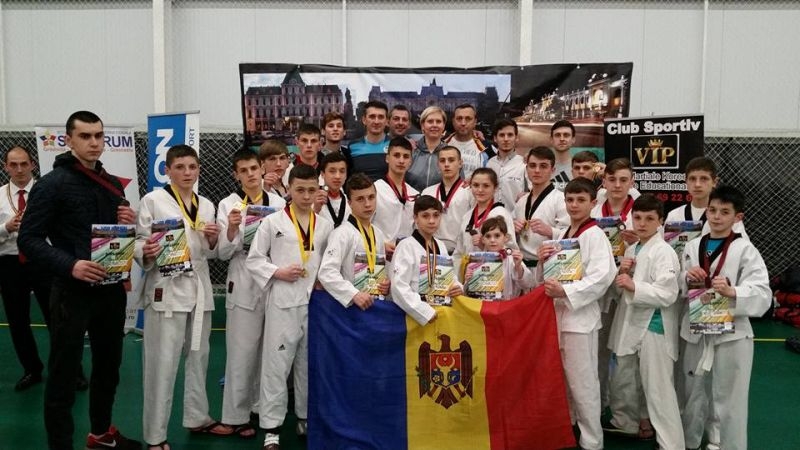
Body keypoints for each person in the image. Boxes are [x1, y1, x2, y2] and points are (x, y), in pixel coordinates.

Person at [18, 110, 141, 450]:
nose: (94, 142)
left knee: (109, 368)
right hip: (72, 292)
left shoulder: (112, 183)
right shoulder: (52, 184)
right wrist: (70, 265)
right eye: (85, 136)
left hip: (110, 291)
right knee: (64, 373)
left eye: (98, 136)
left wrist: (127, 222)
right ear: (69, 140)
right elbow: (28, 239)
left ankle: (100, 434)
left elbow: (113, 236)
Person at [136, 145, 222, 450]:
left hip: (199, 287)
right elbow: (139, 240)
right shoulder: (153, 200)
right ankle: (155, 436)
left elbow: (210, 251)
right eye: (180, 167)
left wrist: (213, 239)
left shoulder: (206, 204)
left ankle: (198, 417)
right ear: (167, 170)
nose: (187, 173)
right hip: (167, 288)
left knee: (199, 358)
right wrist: (145, 251)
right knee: (162, 363)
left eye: (192, 167)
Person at [246, 164, 334, 450]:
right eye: (300, 190)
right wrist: (277, 272)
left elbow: (329, 263)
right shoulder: (272, 223)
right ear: (290, 190)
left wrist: (322, 280)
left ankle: (305, 417)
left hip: (314, 304)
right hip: (283, 302)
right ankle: (271, 427)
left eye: (311, 190)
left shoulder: (325, 225)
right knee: (276, 365)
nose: (306, 196)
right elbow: (254, 260)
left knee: (307, 363)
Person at [680, 185, 770, 450]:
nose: (717, 216)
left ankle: (728, 445)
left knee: (731, 399)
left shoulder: (746, 250)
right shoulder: (693, 245)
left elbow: (763, 293)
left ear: (737, 217)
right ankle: (690, 441)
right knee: (693, 391)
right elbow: (678, 285)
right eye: (712, 210)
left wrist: (733, 291)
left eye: (724, 212)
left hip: (732, 334)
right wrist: (686, 277)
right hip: (697, 327)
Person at [536, 177, 616, 450]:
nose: (574, 205)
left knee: (583, 382)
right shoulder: (562, 235)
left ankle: (592, 440)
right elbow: (545, 278)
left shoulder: (595, 235)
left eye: (581, 200)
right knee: (562, 380)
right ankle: (570, 427)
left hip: (580, 319)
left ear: (593, 203)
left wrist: (567, 291)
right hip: (557, 317)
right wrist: (542, 260)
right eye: (570, 200)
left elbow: (603, 276)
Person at [216, 149, 286, 438]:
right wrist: (232, 230)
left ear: (262, 169)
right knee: (241, 351)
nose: (250, 174)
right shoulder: (228, 204)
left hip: (271, 276)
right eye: (243, 170)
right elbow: (221, 253)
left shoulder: (279, 203)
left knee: (268, 351)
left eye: (254, 168)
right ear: (236, 175)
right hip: (243, 275)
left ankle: (260, 407)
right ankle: (235, 416)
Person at [606, 194, 685, 450]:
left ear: (660, 221)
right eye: (638, 218)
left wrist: (634, 286)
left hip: (655, 326)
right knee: (628, 380)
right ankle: (632, 423)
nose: (642, 223)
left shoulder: (664, 252)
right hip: (632, 323)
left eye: (649, 219)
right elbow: (620, 291)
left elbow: (668, 293)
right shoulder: (632, 249)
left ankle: (672, 444)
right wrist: (623, 273)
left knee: (659, 389)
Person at [0, 146, 54, 391]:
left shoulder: (47, 192)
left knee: (57, 318)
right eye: (13, 164)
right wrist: (6, 228)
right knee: (17, 320)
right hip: (10, 263)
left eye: (24, 163)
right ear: (6, 167)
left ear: (33, 164)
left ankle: (71, 370)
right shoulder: (0, 195)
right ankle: (32, 369)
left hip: (44, 260)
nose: (19, 169)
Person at [318, 173, 390, 309]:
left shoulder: (378, 234)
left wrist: (384, 284)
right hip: (349, 307)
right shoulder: (341, 234)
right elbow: (327, 272)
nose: (367, 204)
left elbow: (378, 271)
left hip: (374, 304)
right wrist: (353, 294)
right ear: (349, 202)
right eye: (360, 199)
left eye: (371, 197)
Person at [390, 195, 463, 326]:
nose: (431, 221)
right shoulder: (406, 246)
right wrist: (424, 311)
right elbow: (398, 286)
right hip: (415, 316)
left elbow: (450, 277)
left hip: (441, 311)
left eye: (436, 215)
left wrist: (457, 287)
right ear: (415, 218)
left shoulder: (441, 245)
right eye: (425, 216)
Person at [513, 146, 569, 268]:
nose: (537, 170)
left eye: (543, 166)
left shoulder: (561, 199)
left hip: (549, 266)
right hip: (522, 267)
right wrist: (513, 229)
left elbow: (571, 235)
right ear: (526, 169)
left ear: (553, 170)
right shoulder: (521, 201)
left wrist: (550, 231)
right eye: (532, 166)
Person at [665, 156, 747, 238]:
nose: (697, 184)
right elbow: (667, 244)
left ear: (714, 182)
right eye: (692, 179)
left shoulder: (728, 217)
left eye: (704, 179)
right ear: (686, 181)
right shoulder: (674, 215)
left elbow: (741, 244)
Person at [452, 167, 516, 269]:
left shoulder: (501, 214)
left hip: (494, 274)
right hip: (469, 273)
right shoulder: (467, 216)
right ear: (470, 186)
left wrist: (484, 246)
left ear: (495, 188)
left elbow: (511, 251)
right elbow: (459, 252)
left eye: (486, 186)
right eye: (476, 185)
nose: (480, 190)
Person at [462, 217, 534, 300]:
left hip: (507, 304)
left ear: (506, 238)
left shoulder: (512, 258)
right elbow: (467, 293)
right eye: (488, 236)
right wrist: (468, 280)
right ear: (483, 239)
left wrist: (518, 267)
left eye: (497, 236)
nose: (492, 240)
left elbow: (528, 284)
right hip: (484, 305)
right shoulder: (476, 260)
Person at [420, 145, 473, 253]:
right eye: (442, 161)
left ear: (460, 163)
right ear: (438, 164)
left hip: (460, 251)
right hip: (432, 250)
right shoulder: (427, 192)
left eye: (451, 160)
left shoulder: (470, 191)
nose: (446, 164)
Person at [373, 136, 419, 249]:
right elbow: (363, 225)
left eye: (406, 156)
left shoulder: (415, 194)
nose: (401, 161)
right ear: (387, 158)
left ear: (410, 162)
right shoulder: (375, 189)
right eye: (396, 155)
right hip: (380, 252)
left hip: (406, 254)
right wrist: (380, 245)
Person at [443, 104, 494, 180]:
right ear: (453, 121)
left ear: (475, 122)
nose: (463, 123)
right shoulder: (442, 145)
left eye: (468, 119)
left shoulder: (487, 147)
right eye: (459, 118)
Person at [487, 118, 526, 213]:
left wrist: (527, 195)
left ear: (516, 138)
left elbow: (534, 192)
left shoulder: (523, 164)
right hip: (491, 217)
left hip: (516, 219)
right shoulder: (489, 163)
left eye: (510, 135)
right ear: (495, 138)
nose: (506, 139)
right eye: (502, 135)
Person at [345, 100, 390, 181]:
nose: (376, 121)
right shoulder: (353, 146)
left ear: (387, 121)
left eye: (381, 117)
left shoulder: (395, 145)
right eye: (372, 117)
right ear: (364, 120)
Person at [406, 106, 447, 191]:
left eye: (438, 121)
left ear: (443, 126)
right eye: (430, 121)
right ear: (422, 126)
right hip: (412, 198)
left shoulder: (450, 153)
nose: (434, 125)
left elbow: (458, 186)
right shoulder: (411, 150)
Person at [313, 152, 350, 228]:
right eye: (332, 171)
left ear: (346, 175)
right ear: (322, 174)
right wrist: (316, 210)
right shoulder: (312, 199)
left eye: (342, 171)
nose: (337, 176)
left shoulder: (350, 201)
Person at [550, 119, 576, 190]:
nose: (562, 139)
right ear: (551, 140)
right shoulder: (542, 166)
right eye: (557, 135)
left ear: (573, 139)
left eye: (566, 135)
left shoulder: (581, 168)